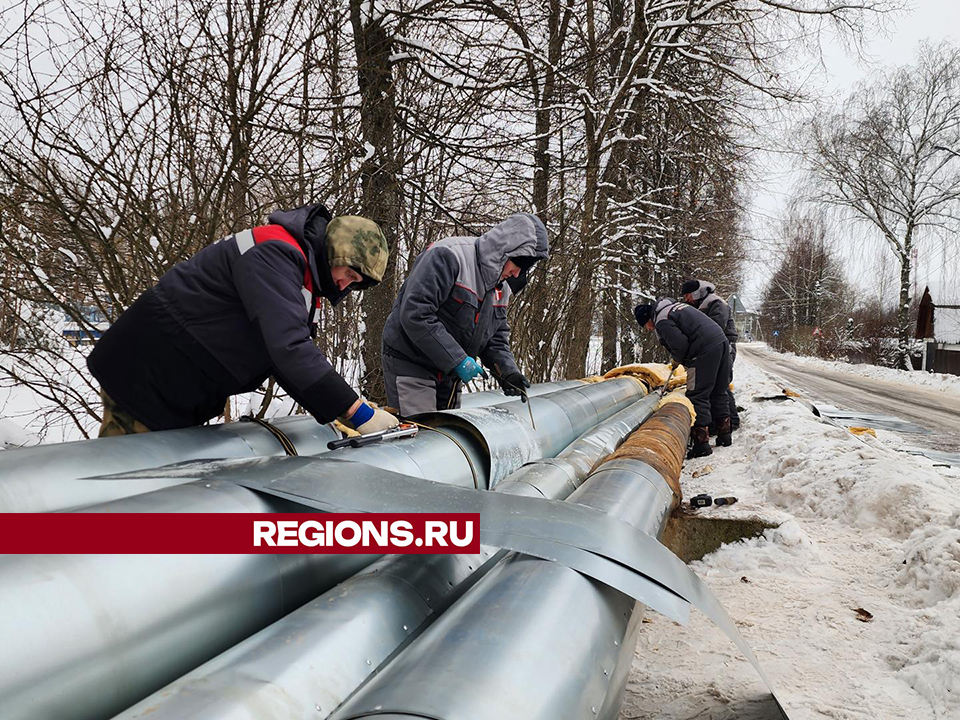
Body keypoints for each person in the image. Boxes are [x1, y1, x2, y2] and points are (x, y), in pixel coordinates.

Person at [87, 203, 398, 438]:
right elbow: (289, 348)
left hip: (173, 385)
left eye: (355, 282)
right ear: (335, 252)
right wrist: (356, 412)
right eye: (348, 274)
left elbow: (284, 362)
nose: (345, 285)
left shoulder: (300, 278)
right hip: (146, 375)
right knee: (127, 483)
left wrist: (340, 414)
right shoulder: (275, 253)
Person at [381, 213, 548, 415]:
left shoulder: (501, 286)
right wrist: (458, 360)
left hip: (449, 373)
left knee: (448, 436)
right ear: (504, 251)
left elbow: (495, 337)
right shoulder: (448, 256)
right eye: (518, 264)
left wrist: (507, 372)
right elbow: (416, 314)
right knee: (422, 435)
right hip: (412, 362)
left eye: (525, 269)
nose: (517, 274)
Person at [634, 298, 731, 458]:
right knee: (719, 390)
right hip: (721, 342)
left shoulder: (662, 321)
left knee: (697, 394)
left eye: (646, 326)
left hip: (703, 350)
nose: (649, 329)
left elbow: (680, 344)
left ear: (648, 319)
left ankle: (702, 443)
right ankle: (725, 434)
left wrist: (677, 359)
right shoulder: (675, 308)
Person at [681, 279, 740, 430]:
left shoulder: (715, 302)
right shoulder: (700, 304)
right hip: (716, 346)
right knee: (716, 384)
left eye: (688, 295)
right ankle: (720, 421)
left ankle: (731, 420)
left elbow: (715, 327)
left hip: (724, 345)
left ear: (695, 292)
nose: (686, 299)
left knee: (721, 383)